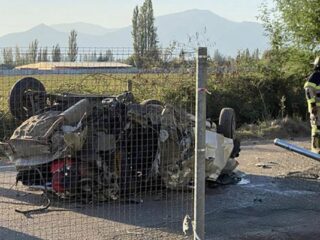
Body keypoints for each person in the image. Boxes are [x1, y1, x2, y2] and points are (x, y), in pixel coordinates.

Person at [304, 56, 320, 153]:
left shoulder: (315, 76)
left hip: (317, 108)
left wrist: (313, 104)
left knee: (317, 128)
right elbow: (308, 90)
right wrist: (313, 105)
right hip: (317, 108)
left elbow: (308, 90)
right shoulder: (316, 76)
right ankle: (317, 150)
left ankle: (317, 150)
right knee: (317, 128)